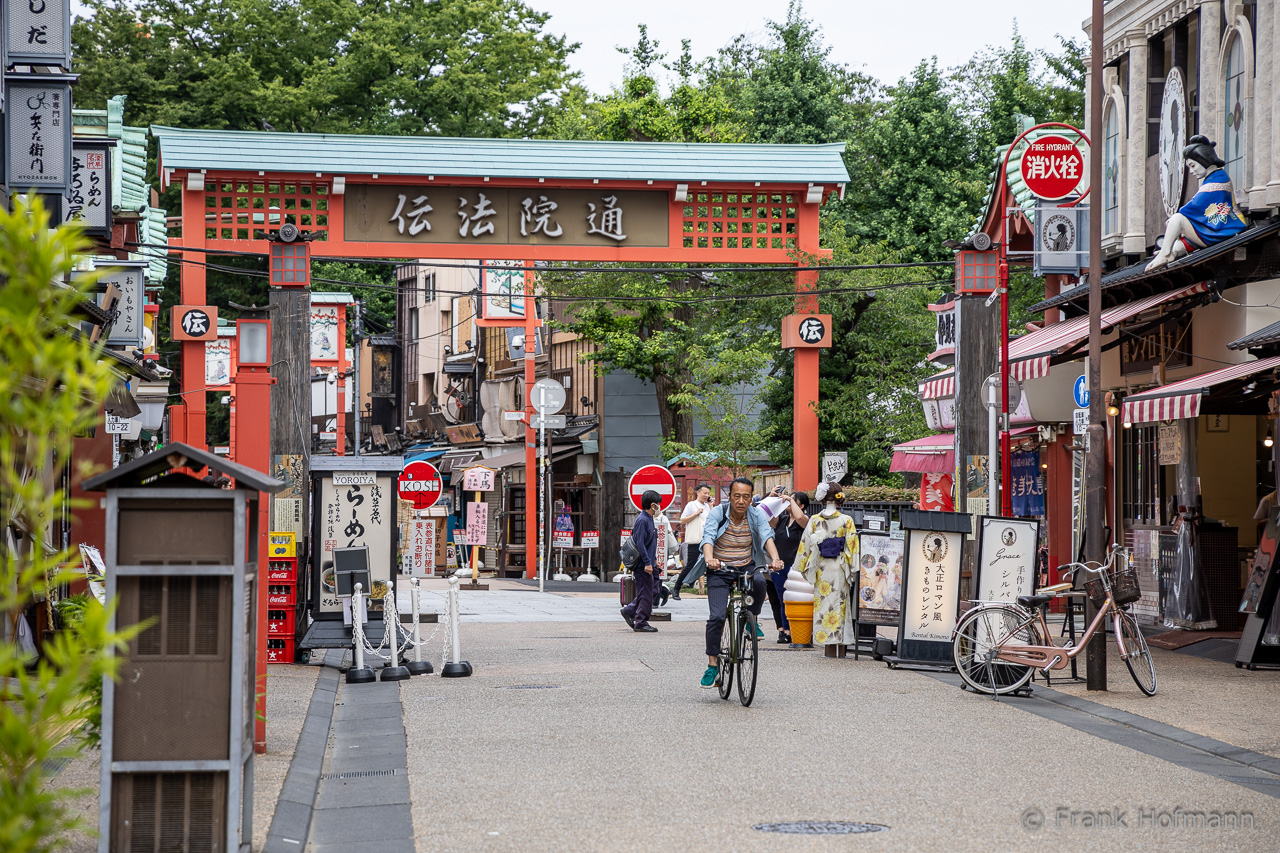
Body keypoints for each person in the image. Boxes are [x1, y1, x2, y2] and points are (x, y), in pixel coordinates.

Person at [699, 477, 785, 688]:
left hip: (745, 565)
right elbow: (708, 537)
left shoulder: (756, 515)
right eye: (737, 496)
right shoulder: (719, 512)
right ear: (730, 496)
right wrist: (710, 559)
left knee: (761, 582)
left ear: (751, 498)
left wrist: (775, 558)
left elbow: (767, 537)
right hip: (719, 569)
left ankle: (750, 620)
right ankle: (712, 665)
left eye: (746, 497)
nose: (741, 501)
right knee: (717, 617)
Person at [767, 488, 809, 644]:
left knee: (794, 599)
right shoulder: (782, 520)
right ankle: (785, 631)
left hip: (796, 567)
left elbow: (799, 516)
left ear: (802, 505)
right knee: (780, 598)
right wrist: (772, 498)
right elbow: (768, 516)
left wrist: (790, 500)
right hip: (779, 566)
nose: (788, 501)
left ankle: (796, 630)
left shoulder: (804, 521)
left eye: (794, 500)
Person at [620, 490, 661, 633]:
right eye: (658, 504)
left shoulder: (648, 518)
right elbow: (640, 543)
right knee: (646, 591)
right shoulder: (642, 520)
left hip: (650, 562)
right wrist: (647, 562)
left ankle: (630, 610)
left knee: (654, 589)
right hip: (644, 564)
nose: (659, 507)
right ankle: (641, 621)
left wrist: (653, 561)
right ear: (652, 505)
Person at [670, 483, 714, 600]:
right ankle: (676, 588)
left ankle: (712, 590)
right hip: (695, 540)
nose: (706, 495)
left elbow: (714, 520)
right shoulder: (691, 505)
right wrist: (695, 513)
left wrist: (710, 506)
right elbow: (682, 520)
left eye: (708, 493)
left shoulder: (707, 506)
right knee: (690, 565)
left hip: (707, 540)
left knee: (710, 565)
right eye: (704, 493)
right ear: (698, 492)